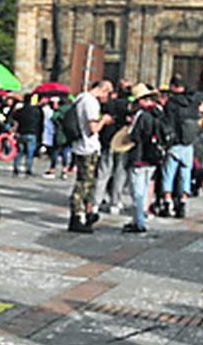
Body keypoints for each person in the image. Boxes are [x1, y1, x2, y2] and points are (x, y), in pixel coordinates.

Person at [67, 78, 113, 233]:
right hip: (88, 147)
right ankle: (77, 217)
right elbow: (93, 128)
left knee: (88, 183)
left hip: (80, 146)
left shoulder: (80, 98)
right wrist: (104, 121)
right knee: (84, 184)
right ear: (103, 89)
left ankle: (87, 213)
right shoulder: (91, 102)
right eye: (108, 93)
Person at [121, 83, 165, 234]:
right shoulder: (158, 112)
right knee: (145, 190)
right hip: (153, 157)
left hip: (139, 156)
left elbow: (134, 136)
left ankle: (139, 222)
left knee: (137, 192)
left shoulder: (141, 115)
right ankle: (139, 218)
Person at [158, 74, 200, 218]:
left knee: (168, 174)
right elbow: (202, 93)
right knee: (185, 175)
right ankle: (182, 202)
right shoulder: (192, 101)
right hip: (188, 144)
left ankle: (168, 202)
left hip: (175, 144)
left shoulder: (171, 103)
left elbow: (167, 123)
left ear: (174, 87)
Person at [92, 82, 131, 213]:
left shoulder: (107, 105)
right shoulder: (129, 107)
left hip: (108, 141)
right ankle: (115, 202)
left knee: (103, 173)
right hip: (123, 142)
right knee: (120, 173)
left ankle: (95, 202)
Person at [10, 94, 43, 177]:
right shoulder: (36, 111)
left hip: (21, 133)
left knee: (19, 152)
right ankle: (28, 169)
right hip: (32, 133)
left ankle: (16, 168)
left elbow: (13, 117)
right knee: (30, 153)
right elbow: (40, 122)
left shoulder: (21, 111)